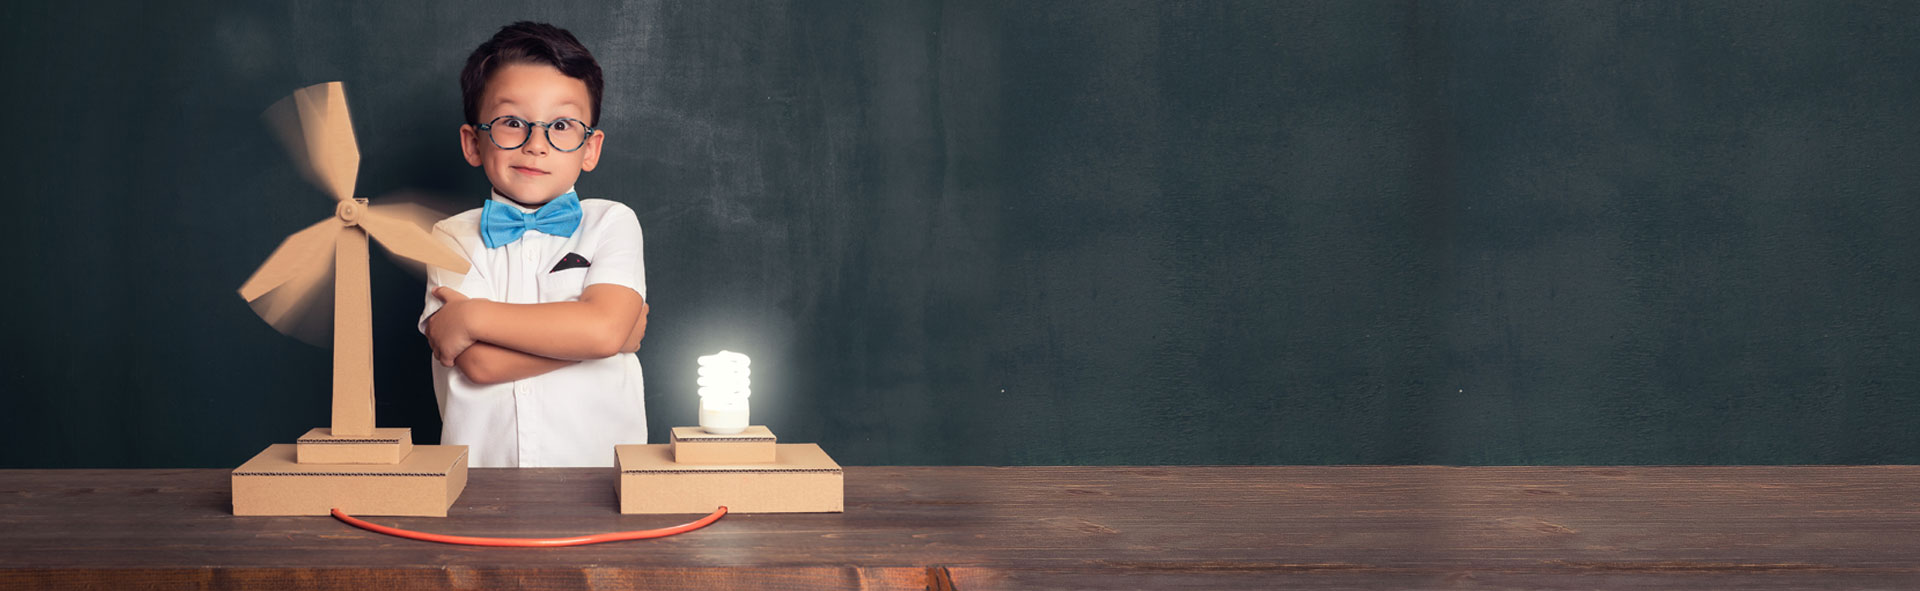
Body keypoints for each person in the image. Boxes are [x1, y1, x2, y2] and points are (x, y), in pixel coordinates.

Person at [418, 22, 649, 467]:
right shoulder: (450, 237)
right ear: (473, 143)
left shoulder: (612, 222)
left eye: (561, 125)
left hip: (602, 478)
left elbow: (602, 330)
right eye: (511, 123)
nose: (536, 145)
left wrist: (473, 316)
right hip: (481, 481)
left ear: (590, 148)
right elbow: (480, 364)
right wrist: (597, 339)